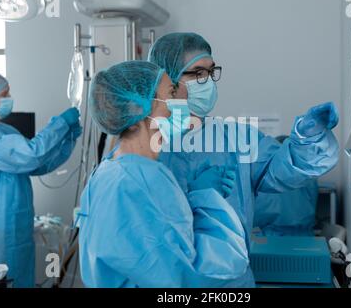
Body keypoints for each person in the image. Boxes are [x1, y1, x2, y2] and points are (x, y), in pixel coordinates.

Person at [148, 32, 340, 287]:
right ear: (167, 78)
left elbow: (284, 169)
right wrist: (194, 197)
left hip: (232, 284)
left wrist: (307, 138)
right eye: (197, 74)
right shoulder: (146, 144)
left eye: (211, 72)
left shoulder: (236, 139)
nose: (208, 82)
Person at [78, 61, 249, 288]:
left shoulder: (110, 171)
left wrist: (192, 200)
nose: (182, 101)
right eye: (172, 92)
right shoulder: (140, 181)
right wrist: (208, 201)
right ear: (138, 107)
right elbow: (189, 276)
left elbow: (153, 241)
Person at [0, 70, 82, 287]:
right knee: (1, 281)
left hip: (18, 226)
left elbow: (37, 164)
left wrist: (67, 140)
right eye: (4, 94)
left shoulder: (6, 130)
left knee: (21, 279)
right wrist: (60, 123)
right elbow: (30, 154)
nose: (10, 98)